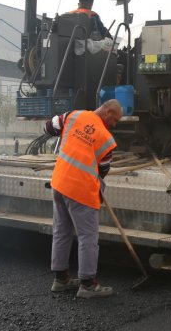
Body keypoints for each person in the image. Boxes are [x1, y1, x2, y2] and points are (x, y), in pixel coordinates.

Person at [45, 99, 123, 298]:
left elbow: (49, 126)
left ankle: (60, 279)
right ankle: (88, 285)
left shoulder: (73, 115)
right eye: (115, 120)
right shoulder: (106, 138)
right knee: (88, 237)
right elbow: (103, 170)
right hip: (80, 190)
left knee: (61, 231)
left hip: (59, 183)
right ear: (107, 112)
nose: (115, 124)